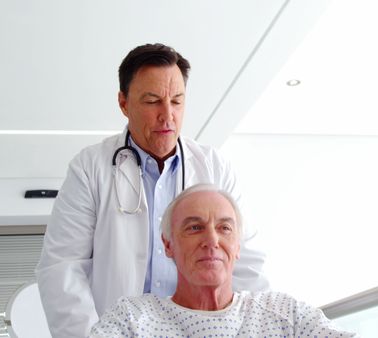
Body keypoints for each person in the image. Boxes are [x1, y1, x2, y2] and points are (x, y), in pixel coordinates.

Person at [36, 43, 269, 338]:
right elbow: (62, 267)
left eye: (177, 101)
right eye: (152, 101)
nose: (167, 115)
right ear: (123, 103)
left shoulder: (214, 167)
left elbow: (246, 262)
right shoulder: (90, 167)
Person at [89, 184, 357, 337]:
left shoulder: (286, 315)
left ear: (237, 245)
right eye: (194, 228)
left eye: (225, 228)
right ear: (168, 245)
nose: (212, 240)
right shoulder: (133, 319)